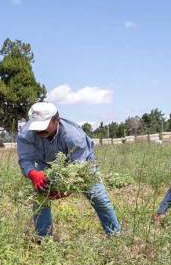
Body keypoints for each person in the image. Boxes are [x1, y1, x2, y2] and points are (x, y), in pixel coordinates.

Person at [17, 102, 121, 238]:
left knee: (98, 197)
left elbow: (78, 169)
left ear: (56, 121)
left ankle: (114, 235)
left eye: (43, 126)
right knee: (40, 198)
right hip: (45, 164)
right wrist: (33, 173)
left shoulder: (73, 136)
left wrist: (65, 189)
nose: (39, 131)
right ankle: (43, 238)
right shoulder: (25, 134)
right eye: (36, 127)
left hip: (81, 165)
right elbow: (25, 159)